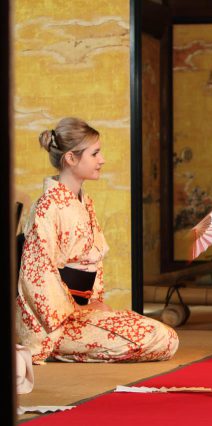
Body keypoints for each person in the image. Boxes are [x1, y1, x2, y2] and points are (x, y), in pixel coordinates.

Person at [16, 117, 179, 363]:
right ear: (71, 158)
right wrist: (77, 309)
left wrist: (93, 302)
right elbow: (37, 274)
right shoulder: (47, 206)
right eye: (95, 154)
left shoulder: (85, 202)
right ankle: (58, 347)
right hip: (54, 322)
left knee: (166, 336)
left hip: (82, 310)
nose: (101, 160)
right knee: (158, 337)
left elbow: (93, 260)